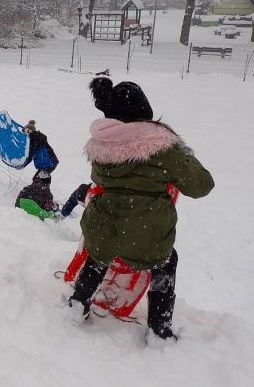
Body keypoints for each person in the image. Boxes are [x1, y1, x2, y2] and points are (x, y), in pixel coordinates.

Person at [66, 77, 214, 342]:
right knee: (166, 262)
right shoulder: (162, 147)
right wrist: (182, 155)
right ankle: (159, 329)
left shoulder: (101, 145)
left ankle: (78, 303)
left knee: (98, 254)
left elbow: (99, 181)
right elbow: (201, 185)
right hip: (146, 236)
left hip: (102, 228)